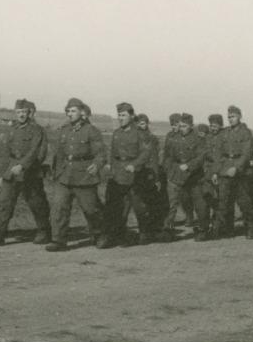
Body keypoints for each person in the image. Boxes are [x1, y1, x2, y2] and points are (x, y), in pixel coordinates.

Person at [44, 98, 107, 252]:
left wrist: (97, 165)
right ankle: (58, 240)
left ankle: (99, 235)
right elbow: (58, 153)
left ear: (82, 112)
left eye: (73, 111)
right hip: (64, 175)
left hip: (84, 175)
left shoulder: (91, 131)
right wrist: (54, 171)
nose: (70, 114)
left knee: (91, 209)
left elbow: (101, 153)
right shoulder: (64, 130)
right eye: (68, 111)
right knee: (59, 207)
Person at [0, 99, 50, 246]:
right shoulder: (12, 129)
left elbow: (38, 152)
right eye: (18, 112)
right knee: (5, 202)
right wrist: (1, 173)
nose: (21, 115)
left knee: (36, 203)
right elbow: (4, 152)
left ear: (29, 113)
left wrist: (23, 165)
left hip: (31, 172)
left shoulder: (37, 130)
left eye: (24, 112)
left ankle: (44, 231)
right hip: (11, 171)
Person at [102, 102, 152, 247]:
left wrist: (135, 165)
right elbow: (113, 153)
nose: (120, 118)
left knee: (139, 206)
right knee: (118, 206)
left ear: (131, 116)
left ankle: (144, 232)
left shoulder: (139, 133)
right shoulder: (117, 133)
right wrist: (111, 168)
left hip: (135, 175)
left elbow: (146, 153)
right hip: (118, 173)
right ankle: (119, 235)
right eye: (119, 115)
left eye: (123, 115)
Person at [212, 106, 253, 240]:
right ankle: (228, 229)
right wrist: (216, 172)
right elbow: (219, 153)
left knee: (244, 202)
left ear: (239, 116)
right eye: (229, 117)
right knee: (225, 201)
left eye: (233, 117)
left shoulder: (246, 133)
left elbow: (246, 153)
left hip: (240, 173)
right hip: (225, 170)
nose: (230, 119)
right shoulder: (224, 133)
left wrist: (236, 168)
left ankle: (251, 228)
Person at [161, 113, 206, 241]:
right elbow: (168, 156)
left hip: (194, 177)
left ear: (191, 125)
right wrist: (169, 170)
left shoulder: (198, 138)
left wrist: (189, 165)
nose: (182, 128)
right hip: (176, 175)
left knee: (199, 204)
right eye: (180, 126)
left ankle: (202, 229)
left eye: (185, 126)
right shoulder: (174, 138)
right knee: (172, 203)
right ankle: (167, 229)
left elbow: (201, 157)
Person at [163, 113, 194, 228]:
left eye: (176, 124)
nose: (174, 127)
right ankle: (169, 222)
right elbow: (166, 154)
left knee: (185, 198)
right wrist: (167, 168)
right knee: (172, 199)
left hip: (187, 172)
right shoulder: (170, 136)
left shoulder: (190, 137)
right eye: (172, 125)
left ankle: (189, 216)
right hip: (173, 171)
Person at [135, 113, 164, 237]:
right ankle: (143, 229)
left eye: (143, 123)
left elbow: (154, 158)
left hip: (149, 173)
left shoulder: (152, 138)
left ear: (147, 124)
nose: (141, 126)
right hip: (137, 173)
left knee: (152, 201)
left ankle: (153, 229)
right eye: (139, 123)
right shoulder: (133, 137)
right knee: (138, 202)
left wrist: (156, 175)